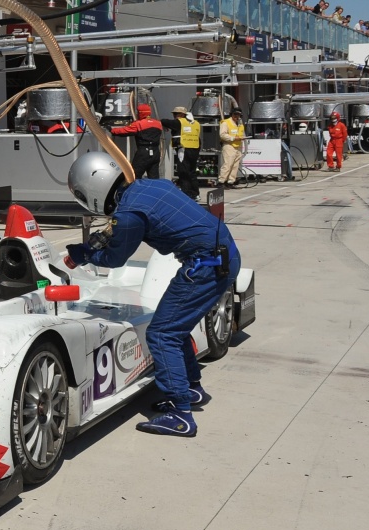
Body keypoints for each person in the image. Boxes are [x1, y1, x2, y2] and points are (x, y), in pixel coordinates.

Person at [64, 151, 241, 437]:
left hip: (205, 266)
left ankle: (181, 415)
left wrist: (83, 254)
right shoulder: (150, 186)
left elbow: (114, 259)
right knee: (175, 327)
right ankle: (191, 389)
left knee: (162, 333)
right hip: (224, 255)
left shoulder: (128, 215)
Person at [110, 103, 163, 179]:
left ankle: (134, 187)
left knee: (134, 176)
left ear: (141, 113)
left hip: (143, 152)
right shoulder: (158, 123)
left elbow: (124, 131)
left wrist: (112, 130)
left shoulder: (139, 124)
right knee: (154, 177)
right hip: (155, 152)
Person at [159, 106, 201, 200]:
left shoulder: (179, 122)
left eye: (175, 114)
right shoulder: (196, 123)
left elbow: (164, 121)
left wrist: (164, 125)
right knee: (192, 172)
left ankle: (186, 194)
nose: (174, 116)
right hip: (194, 149)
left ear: (182, 114)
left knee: (183, 172)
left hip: (183, 150)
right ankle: (195, 193)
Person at [218, 107, 246, 188]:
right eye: (235, 114)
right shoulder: (226, 122)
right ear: (232, 114)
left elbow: (241, 133)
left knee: (235, 165)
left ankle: (230, 181)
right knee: (228, 164)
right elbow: (222, 135)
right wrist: (233, 138)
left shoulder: (240, 123)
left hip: (238, 145)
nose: (237, 116)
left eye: (238, 115)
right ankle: (221, 181)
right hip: (229, 145)